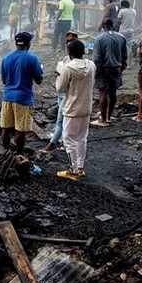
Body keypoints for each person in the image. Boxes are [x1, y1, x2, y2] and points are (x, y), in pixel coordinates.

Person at [55, 39, 96, 181]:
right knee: (81, 138)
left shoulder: (68, 68)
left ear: (69, 52)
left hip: (72, 107)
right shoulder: (91, 65)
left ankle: (73, 170)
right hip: (86, 107)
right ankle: (80, 167)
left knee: (68, 138)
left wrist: (59, 73)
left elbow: (60, 88)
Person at [0, 32, 44, 151]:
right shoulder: (32, 58)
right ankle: (19, 155)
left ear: (16, 43)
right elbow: (39, 80)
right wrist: (40, 70)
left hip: (7, 97)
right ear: (28, 44)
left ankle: (4, 153)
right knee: (21, 130)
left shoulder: (6, 58)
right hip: (23, 99)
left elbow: (4, 81)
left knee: (6, 128)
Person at [44, 31, 78, 152]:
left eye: (71, 41)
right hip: (62, 95)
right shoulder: (66, 59)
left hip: (67, 95)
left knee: (61, 121)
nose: (68, 44)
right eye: (67, 41)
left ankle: (53, 144)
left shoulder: (75, 63)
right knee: (64, 121)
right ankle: (63, 142)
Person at [92, 18, 127, 127]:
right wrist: (121, 68)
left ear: (103, 26)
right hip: (116, 68)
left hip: (103, 69)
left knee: (103, 93)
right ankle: (108, 117)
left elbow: (97, 58)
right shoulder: (121, 37)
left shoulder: (99, 39)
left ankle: (102, 120)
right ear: (113, 25)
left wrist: (96, 72)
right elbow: (125, 56)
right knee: (113, 93)